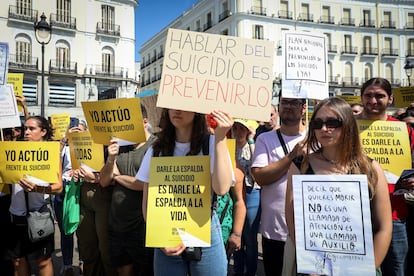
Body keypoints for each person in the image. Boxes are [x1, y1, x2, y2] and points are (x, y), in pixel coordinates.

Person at [284, 97, 392, 274]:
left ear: (348, 124)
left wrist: (367, 268)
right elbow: (292, 219)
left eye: (332, 122)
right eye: (318, 123)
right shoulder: (300, 165)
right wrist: (313, 263)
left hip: (358, 267)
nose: (324, 129)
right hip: (314, 268)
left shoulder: (370, 168)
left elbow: (384, 227)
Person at [136, 109, 234, 276]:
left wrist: (220, 138)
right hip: (167, 236)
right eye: (172, 105)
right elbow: (147, 201)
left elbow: (222, 188)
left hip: (205, 231)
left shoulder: (212, 143)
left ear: (196, 110)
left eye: (183, 105)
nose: (177, 110)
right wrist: (160, 239)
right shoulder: (156, 149)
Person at [356, 77, 414, 276]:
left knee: (396, 270)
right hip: (355, 214)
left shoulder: (404, 130)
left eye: (379, 96)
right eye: (368, 95)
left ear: (390, 99)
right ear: (361, 97)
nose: (373, 100)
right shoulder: (348, 128)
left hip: (395, 213)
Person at [251, 96, 307, 276]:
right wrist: (291, 156)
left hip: (309, 232)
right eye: (285, 102)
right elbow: (260, 177)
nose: (288, 106)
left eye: (294, 102)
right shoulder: (265, 139)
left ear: (304, 108)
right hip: (274, 231)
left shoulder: (316, 137)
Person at [99, 107, 156, 276]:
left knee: (144, 271)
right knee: (123, 270)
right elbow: (103, 181)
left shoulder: (156, 146)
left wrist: (117, 177)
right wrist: (110, 160)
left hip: (142, 225)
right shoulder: (120, 146)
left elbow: (143, 184)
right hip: (117, 222)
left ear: (144, 122)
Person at [8, 115, 63, 275]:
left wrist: (38, 189)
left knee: (42, 261)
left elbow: (58, 187)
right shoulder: (13, 150)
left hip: (39, 215)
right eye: (25, 128)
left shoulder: (51, 154)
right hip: (16, 214)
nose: (27, 132)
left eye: (32, 129)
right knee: (18, 259)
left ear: (43, 131)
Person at [55, 122, 88, 276]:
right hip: (64, 191)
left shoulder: (90, 147)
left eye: (80, 131)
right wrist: (64, 140)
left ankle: (83, 261)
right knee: (65, 230)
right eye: (74, 131)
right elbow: (52, 160)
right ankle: (67, 264)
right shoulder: (64, 149)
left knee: (83, 230)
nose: (77, 134)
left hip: (81, 190)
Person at [231, 119, 260, 276]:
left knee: (250, 238)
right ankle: (237, 271)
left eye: (241, 128)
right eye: (235, 128)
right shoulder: (228, 147)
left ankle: (251, 272)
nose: (238, 131)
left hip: (251, 192)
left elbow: (258, 166)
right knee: (236, 235)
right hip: (235, 194)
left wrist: (251, 139)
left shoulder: (252, 146)